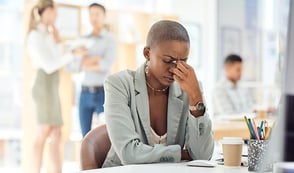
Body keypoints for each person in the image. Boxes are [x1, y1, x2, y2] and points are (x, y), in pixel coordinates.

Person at [102, 20, 214, 167]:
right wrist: (180, 153)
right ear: (147, 54)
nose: (175, 69)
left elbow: (202, 155)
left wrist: (196, 98)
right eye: (168, 61)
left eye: (183, 61)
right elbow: (129, 154)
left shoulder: (189, 88)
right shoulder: (119, 85)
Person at [26, 0, 72, 173]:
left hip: (52, 84)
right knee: (43, 131)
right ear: (47, 11)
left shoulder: (47, 33)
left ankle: (56, 171)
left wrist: (59, 40)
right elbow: (50, 65)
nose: (56, 17)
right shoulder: (35, 35)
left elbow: (58, 57)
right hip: (43, 84)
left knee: (57, 133)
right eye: (55, 13)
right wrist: (72, 54)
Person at [68, 3, 118, 137]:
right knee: (85, 136)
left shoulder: (110, 39)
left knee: (107, 135)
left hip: (103, 93)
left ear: (104, 16)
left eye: (97, 14)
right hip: (84, 93)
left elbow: (105, 65)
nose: (93, 18)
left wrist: (85, 61)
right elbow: (74, 66)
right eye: (91, 14)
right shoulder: (82, 39)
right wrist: (96, 59)